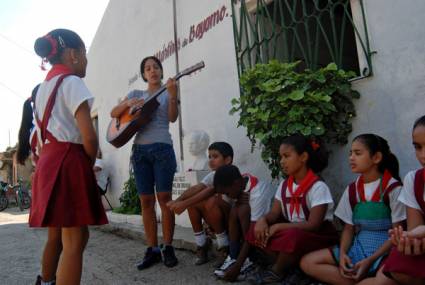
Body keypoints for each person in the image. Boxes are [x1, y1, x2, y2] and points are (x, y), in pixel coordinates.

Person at [29, 29, 108, 285]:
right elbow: (90, 137)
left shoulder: (42, 89)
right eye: (84, 54)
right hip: (68, 160)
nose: (86, 60)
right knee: (75, 241)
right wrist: (88, 161)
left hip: (49, 161)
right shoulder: (72, 82)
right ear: (73, 55)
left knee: (60, 235)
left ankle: (47, 280)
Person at [300, 134, 405, 285]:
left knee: (384, 281)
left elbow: (398, 234)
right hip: (358, 246)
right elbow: (349, 228)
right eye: (350, 153)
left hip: (385, 252)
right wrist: (343, 254)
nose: (351, 158)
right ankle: (358, 279)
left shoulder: (393, 189)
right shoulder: (352, 190)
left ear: (376, 158)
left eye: (358, 153)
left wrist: (370, 260)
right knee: (307, 262)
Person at [110, 56, 179, 269]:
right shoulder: (135, 95)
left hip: (162, 149)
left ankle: (168, 247)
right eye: (148, 68)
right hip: (140, 152)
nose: (153, 71)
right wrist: (128, 103)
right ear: (143, 74)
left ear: (161, 70)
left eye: (156, 67)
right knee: (146, 202)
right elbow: (114, 114)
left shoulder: (168, 92)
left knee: (165, 199)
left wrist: (174, 94)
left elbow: (172, 118)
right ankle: (152, 249)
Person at [245, 134, 338, 284]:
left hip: (317, 236)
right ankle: (290, 267)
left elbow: (313, 225)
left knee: (293, 236)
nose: (282, 161)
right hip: (290, 232)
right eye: (281, 157)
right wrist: (263, 220)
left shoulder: (318, 187)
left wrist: (279, 226)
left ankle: (277, 271)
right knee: (255, 229)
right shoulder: (284, 186)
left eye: (286, 156)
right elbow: (274, 213)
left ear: (303, 157)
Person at [361, 116, 425, 285]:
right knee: (385, 276)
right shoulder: (414, 179)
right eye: (418, 147)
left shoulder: (392, 187)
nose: (423, 155)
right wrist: (408, 239)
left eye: (358, 153)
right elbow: (415, 230)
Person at [167, 142, 233, 265]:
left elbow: (210, 191)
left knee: (211, 200)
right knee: (194, 202)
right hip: (218, 220)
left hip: (231, 222)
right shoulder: (213, 174)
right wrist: (177, 201)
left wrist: (184, 204)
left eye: (215, 156)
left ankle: (224, 247)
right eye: (209, 157)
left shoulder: (229, 173)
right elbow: (196, 188)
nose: (211, 160)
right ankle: (201, 244)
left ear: (228, 159)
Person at [212, 165, 275, 281]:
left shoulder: (258, 194)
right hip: (254, 227)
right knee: (236, 209)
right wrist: (236, 202)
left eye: (227, 193)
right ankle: (233, 256)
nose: (227, 196)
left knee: (242, 210)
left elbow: (253, 232)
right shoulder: (242, 181)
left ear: (236, 183)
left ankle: (248, 260)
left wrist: (237, 268)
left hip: (267, 230)